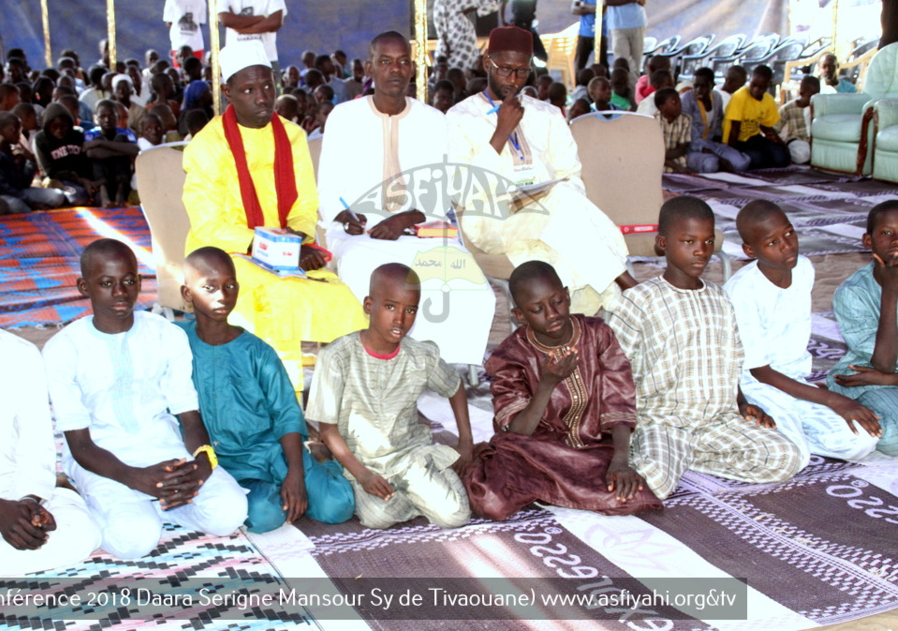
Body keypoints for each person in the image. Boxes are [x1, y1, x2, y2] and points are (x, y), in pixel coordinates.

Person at [43, 239, 248, 559]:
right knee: (135, 541)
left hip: (163, 446)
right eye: (106, 283)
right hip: (101, 456)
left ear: (140, 282)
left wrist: (201, 467)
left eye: (128, 281)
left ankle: (165, 506)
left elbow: (188, 416)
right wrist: (136, 479)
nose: (120, 292)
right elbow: (79, 444)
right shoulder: (62, 349)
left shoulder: (167, 334)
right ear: (85, 286)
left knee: (231, 513)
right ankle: (106, 503)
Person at [182, 43, 366, 394]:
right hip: (225, 256)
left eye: (268, 86)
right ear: (227, 92)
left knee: (344, 300)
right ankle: (284, 403)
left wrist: (295, 241)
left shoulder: (292, 136)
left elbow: (304, 205)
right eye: (249, 90)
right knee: (278, 301)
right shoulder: (207, 146)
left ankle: (344, 400)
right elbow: (209, 225)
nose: (263, 98)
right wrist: (278, 249)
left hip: (288, 251)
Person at [318, 31, 496, 370]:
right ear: (369, 68)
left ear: (413, 69)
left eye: (402, 62)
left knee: (469, 286)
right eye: (385, 62)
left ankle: (446, 369)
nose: (394, 70)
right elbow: (327, 188)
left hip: (419, 230)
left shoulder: (432, 120)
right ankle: (383, 366)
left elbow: (438, 194)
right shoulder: (343, 117)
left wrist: (403, 219)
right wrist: (344, 215)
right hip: (362, 236)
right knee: (363, 273)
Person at [606, 196, 804, 499]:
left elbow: (731, 361)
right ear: (663, 243)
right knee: (653, 484)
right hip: (664, 421)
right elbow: (614, 377)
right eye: (688, 241)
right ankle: (661, 455)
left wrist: (741, 403)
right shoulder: (640, 300)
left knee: (785, 455)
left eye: (708, 241)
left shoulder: (720, 298)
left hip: (716, 421)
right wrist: (619, 454)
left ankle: (684, 458)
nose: (701, 251)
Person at [448, 26, 637, 316]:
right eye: (505, 70)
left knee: (560, 237)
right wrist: (501, 132)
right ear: (487, 64)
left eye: (522, 72)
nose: (513, 80)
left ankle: (581, 330)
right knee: (560, 201)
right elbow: (461, 190)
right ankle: (629, 287)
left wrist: (542, 198)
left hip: (552, 218)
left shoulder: (547, 114)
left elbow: (571, 176)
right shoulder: (460, 117)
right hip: (490, 218)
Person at [0, 251, 100, 590]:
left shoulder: (19, 355)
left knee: (83, 534)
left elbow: (36, 443)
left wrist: (28, 502)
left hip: (12, 489)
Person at [461, 261, 662, 520]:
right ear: (519, 316)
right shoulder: (510, 356)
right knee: (490, 503)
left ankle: (543, 488)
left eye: (557, 301)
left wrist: (621, 461)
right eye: (537, 309)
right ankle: (554, 486)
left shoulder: (598, 335)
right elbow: (519, 432)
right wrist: (546, 384)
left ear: (567, 296)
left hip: (595, 449)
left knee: (633, 496)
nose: (552, 313)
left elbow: (618, 403)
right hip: (538, 451)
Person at [179, 247, 355, 533]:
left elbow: (286, 413)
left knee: (338, 506)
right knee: (264, 516)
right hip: (221, 462)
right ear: (187, 294)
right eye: (209, 287)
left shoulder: (258, 352)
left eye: (230, 286)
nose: (222, 296)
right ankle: (269, 489)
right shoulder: (175, 345)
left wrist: (296, 473)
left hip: (275, 452)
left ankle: (322, 460)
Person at [309, 263, 474, 530]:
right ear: (368, 305)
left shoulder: (421, 355)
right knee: (378, 518)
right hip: (361, 461)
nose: (400, 319)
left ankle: (427, 480)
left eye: (410, 310)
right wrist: (363, 475)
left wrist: (466, 440)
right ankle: (420, 493)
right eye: (390, 307)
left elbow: (454, 386)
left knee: (455, 517)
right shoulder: (336, 357)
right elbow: (327, 429)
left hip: (409, 456)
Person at [723, 199, 880, 464]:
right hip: (756, 386)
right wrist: (833, 400)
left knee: (863, 440)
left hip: (795, 381)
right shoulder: (742, 292)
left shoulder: (804, 268)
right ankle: (762, 431)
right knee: (790, 457)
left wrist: (820, 397)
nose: (787, 246)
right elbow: (761, 372)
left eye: (789, 233)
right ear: (750, 249)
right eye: (772, 242)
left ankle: (787, 434)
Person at [828, 200, 898, 456]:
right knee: (892, 437)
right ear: (868, 241)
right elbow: (884, 364)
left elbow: (889, 372)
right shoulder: (853, 293)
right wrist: (890, 291)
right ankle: (838, 406)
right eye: (887, 232)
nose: (896, 240)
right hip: (871, 379)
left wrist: (893, 379)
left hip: (888, 379)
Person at [0, 111, 66, 213]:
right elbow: (4, 188)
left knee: (57, 195)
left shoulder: (15, 151)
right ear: (0, 132)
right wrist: (32, 203)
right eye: (14, 130)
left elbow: (24, 183)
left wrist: (30, 160)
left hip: (20, 192)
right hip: (5, 196)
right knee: (19, 206)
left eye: (20, 130)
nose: (19, 134)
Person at [680, 66, 750, 173]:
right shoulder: (687, 99)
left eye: (703, 86)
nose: (698, 90)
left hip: (712, 144)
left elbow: (717, 127)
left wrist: (722, 150)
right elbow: (691, 137)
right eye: (696, 86)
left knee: (742, 163)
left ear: (712, 85)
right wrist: (720, 158)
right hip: (693, 148)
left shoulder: (717, 97)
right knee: (712, 164)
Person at [723, 65, 790, 170]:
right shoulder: (739, 97)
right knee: (758, 160)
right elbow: (734, 129)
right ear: (750, 80)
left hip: (754, 137)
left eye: (761, 87)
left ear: (768, 85)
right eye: (753, 84)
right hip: (737, 140)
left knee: (782, 159)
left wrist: (782, 145)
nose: (756, 89)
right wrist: (732, 154)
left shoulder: (768, 100)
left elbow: (766, 127)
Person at [34, 103, 95, 206]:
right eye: (54, 127)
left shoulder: (77, 135)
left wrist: (88, 180)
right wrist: (79, 180)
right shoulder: (41, 139)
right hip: (58, 181)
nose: (59, 130)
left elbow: (85, 161)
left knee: (95, 196)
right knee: (76, 196)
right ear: (47, 126)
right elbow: (50, 171)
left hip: (80, 178)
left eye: (63, 126)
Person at [217, 0, 287, 79]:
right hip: (237, 60)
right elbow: (226, 20)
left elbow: (276, 21)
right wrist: (263, 17)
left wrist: (240, 28)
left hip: (266, 58)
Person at [84, 100, 140, 208]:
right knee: (106, 140)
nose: (107, 120)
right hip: (101, 180)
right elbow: (91, 153)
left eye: (111, 116)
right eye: (102, 116)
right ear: (96, 118)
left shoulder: (125, 133)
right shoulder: (91, 134)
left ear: (117, 117)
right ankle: (103, 194)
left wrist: (100, 144)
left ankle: (120, 193)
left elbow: (135, 150)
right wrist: (121, 149)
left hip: (122, 178)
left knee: (120, 139)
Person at [433, 0, 499, 73]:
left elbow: (493, 5)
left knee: (465, 67)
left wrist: (468, 10)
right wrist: (443, 39)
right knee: (446, 67)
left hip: (464, 34)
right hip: (451, 34)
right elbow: (438, 17)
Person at [777, 75, 819, 165]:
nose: (814, 99)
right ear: (801, 93)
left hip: (815, 142)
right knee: (802, 154)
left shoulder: (819, 107)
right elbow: (775, 128)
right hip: (797, 141)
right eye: (810, 96)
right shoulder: (788, 108)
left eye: (817, 95)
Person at [604, 0, 647, 77]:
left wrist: (633, 0)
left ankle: (634, 88)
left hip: (637, 23)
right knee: (622, 62)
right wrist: (631, 0)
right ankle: (623, 88)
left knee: (636, 63)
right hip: (618, 25)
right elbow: (609, 0)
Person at [499, 0, 547, 64]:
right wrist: (503, 20)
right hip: (518, 26)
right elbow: (503, 1)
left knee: (542, 57)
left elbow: (503, 1)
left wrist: (503, 20)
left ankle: (533, 69)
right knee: (520, 53)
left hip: (528, 26)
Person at [163, 0, 207, 68]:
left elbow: (200, 23)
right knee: (180, 73)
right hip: (178, 46)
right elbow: (169, 23)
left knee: (196, 72)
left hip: (196, 45)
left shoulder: (200, 0)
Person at [654, 87, 691, 174]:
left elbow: (681, 149)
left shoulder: (685, 119)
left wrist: (659, 156)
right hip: (655, 160)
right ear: (662, 107)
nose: (679, 105)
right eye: (674, 102)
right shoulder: (652, 121)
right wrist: (677, 167)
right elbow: (650, 152)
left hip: (675, 157)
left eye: (679, 101)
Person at [573, 0, 608, 72]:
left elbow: (602, 9)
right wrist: (593, 8)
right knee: (579, 66)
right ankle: (579, 83)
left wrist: (583, 5)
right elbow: (574, 9)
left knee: (602, 66)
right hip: (584, 33)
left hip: (600, 33)